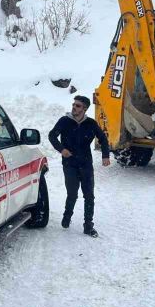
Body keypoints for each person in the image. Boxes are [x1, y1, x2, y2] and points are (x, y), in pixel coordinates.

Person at [48, 95, 111, 238]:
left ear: (85, 109)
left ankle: (88, 226)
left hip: (86, 164)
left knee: (89, 196)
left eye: (78, 106)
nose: (74, 107)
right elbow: (52, 136)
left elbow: (103, 139)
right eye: (74, 104)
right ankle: (67, 216)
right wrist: (61, 149)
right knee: (72, 194)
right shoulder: (64, 121)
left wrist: (105, 155)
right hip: (70, 164)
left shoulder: (91, 123)